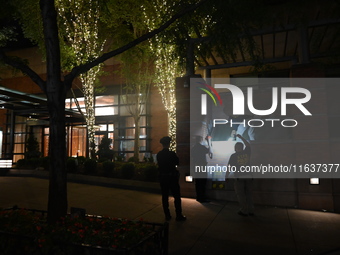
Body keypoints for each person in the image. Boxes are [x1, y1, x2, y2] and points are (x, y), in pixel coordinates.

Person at [156, 136, 186, 221]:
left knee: (165, 197)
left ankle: (167, 215)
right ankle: (178, 215)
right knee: (177, 196)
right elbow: (177, 162)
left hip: (163, 177)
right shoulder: (172, 154)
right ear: (169, 144)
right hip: (172, 177)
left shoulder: (159, 154)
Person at [227, 134, 254, 216]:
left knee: (241, 194)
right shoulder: (247, 152)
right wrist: (241, 137)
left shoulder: (233, 156)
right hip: (249, 176)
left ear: (235, 148)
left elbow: (229, 167)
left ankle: (244, 210)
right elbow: (248, 145)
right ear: (242, 148)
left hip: (239, 178)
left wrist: (226, 176)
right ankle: (251, 210)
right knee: (249, 194)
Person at [191, 135, 212, 203]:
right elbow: (209, 151)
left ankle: (198, 197)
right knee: (203, 183)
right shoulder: (201, 147)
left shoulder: (193, 148)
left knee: (198, 183)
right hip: (202, 166)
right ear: (200, 140)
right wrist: (208, 141)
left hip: (196, 166)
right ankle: (202, 198)